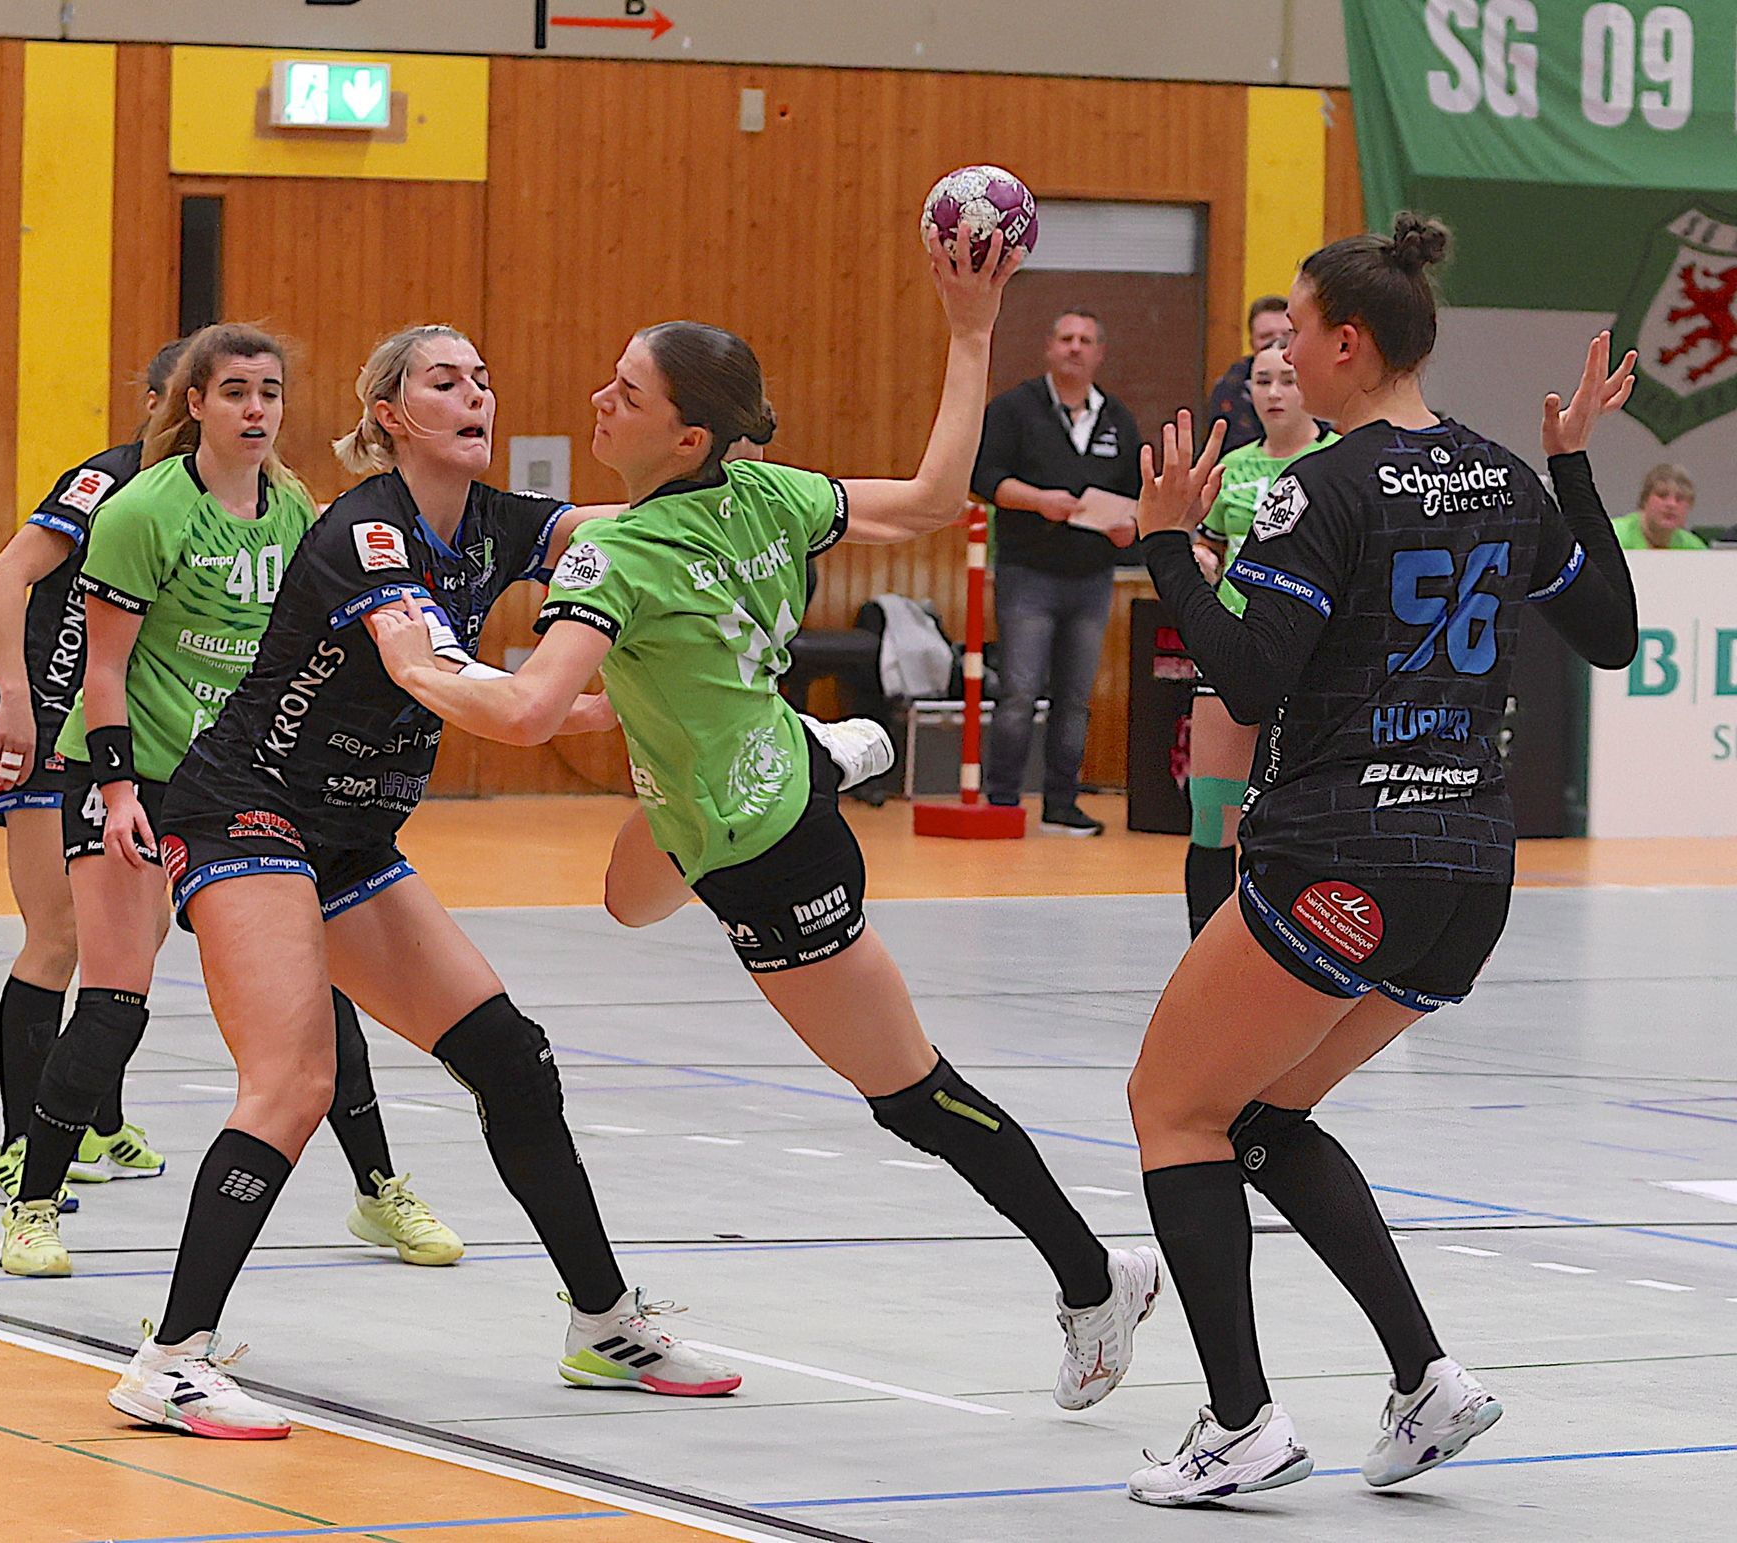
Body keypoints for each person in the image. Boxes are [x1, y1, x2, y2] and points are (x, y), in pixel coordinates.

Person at [369, 233, 1165, 1422]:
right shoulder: (768, 495)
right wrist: (966, 332)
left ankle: (1098, 1278)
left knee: (911, 1093)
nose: (597, 398)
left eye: (625, 392)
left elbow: (527, 713)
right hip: (708, 798)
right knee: (625, 899)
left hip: (772, 854)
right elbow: (932, 500)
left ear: (687, 438)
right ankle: (803, 743)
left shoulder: (618, 557)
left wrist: (420, 659)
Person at [104, 324, 738, 1441]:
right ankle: (171, 1361)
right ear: (391, 415)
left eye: (483, 377)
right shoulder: (368, 529)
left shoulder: (498, 522)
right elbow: (423, 666)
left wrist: (761, 503)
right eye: (445, 381)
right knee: (292, 1083)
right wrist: (547, 702)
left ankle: (605, 1324)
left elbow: (641, 527)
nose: (475, 393)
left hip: (351, 837)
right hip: (245, 809)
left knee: (512, 1059)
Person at [1120, 214, 1638, 1506]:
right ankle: (1427, 1381)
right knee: (1262, 1116)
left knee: (1172, 1108)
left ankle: (1240, 1422)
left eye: (1293, 332)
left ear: (1348, 344)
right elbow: (1612, 634)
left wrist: (1167, 546)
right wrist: (1573, 466)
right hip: (1468, 874)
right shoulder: (1502, 476)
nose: (1278, 354)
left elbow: (1248, 677)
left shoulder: (1320, 487)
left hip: (1340, 857)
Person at [0, 323, 461, 1281]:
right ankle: (31, 1207)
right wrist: (117, 789)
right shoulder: (142, 508)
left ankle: (380, 1191)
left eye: (271, 392)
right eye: (237, 391)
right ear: (196, 403)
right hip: (131, 771)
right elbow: (103, 671)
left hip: (240, 784)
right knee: (114, 998)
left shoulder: (295, 511)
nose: (256, 409)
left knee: (316, 996)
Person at [0, 339, 185, 1211]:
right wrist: (16, 700)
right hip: (44, 729)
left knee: (133, 938)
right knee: (58, 934)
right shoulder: (104, 483)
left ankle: (98, 1119)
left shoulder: (220, 502)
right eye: (191, 393)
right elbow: (2, 579)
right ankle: (20, 1143)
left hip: (126, 741)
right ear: (157, 401)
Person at [1183, 340, 1337, 938]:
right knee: (1211, 812)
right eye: (1263, 381)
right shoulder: (1233, 467)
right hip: (1233, 642)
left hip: (1312, 652)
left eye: (1287, 381)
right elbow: (1210, 541)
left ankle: (1290, 949)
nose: (1274, 393)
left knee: (1295, 820)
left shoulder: (1336, 460)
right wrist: (1199, 557)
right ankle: (1204, 950)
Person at [972, 309, 1143, 833]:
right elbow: (984, 477)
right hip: (1028, 573)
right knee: (1019, 692)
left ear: (1100, 353)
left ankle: (1061, 804)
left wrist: (1129, 527)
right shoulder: (1013, 409)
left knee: (1075, 698)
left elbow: (1137, 495)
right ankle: (1003, 801)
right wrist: (1038, 500)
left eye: (1085, 340)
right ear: (1049, 347)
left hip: (1092, 578)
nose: (1074, 347)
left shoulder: (1118, 420)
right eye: (1066, 338)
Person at [1203, 296, 1293, 454]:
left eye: (1287, 335)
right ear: (1252, 343)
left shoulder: (1319, 380)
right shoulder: (1229, 389)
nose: (1276, 343)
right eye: (1266, 336)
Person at [1612, 462, 1706, 550]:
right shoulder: (1614, 535)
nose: (1671, 504)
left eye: (1679, 499)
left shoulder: (1694, 548)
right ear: (1645, 500)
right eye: (1662, 495)